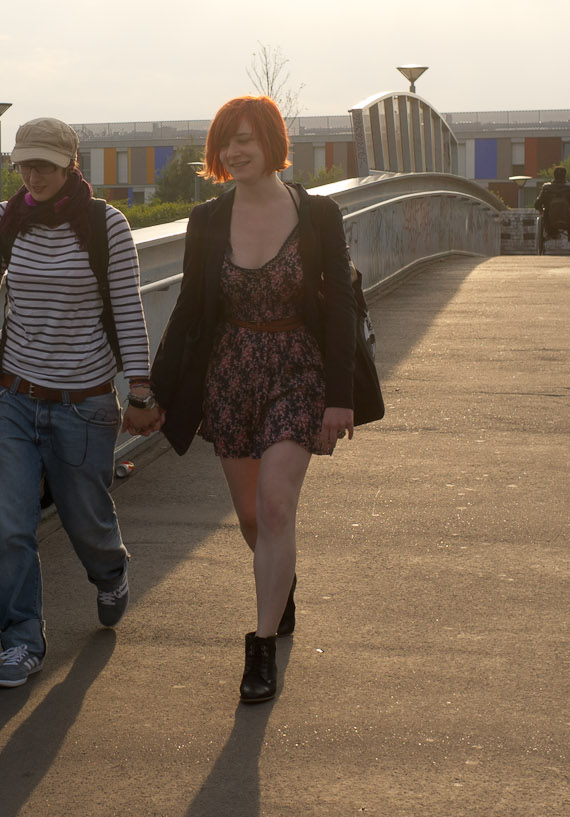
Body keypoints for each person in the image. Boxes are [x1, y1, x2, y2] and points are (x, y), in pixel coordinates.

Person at [0, 116, 162, 689]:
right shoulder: (5, 219)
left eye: (45, 167)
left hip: (84, 405)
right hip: (11, 397)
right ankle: (21, 644)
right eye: (25, 165)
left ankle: (109, 571)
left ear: (70, 166)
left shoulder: (107, 225)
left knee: (87, 523)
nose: (33, 177)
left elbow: (129, 313)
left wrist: (140, 390)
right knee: (11, 528)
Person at [148, 96, 359, 704]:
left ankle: (261, 648)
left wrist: (338, 398)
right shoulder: (207, 220)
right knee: (250, 518)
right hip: (232, 374)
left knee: (274, 507)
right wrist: (153, 392)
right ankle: (280, 583)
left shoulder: (318, 214)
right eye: (224, 142)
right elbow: (190, 309)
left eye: (245, 139)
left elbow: (341, 305)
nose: (234, 151)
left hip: (298, 368)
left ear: (271, 141)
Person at [533, 165, 570, 254]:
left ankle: (552, 233)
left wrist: (541, 210)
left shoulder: (546, 188)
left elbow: (537, 204)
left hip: (550, 221)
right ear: (565, 175)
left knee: (545, 213)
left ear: (554, 175)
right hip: (568, 221)